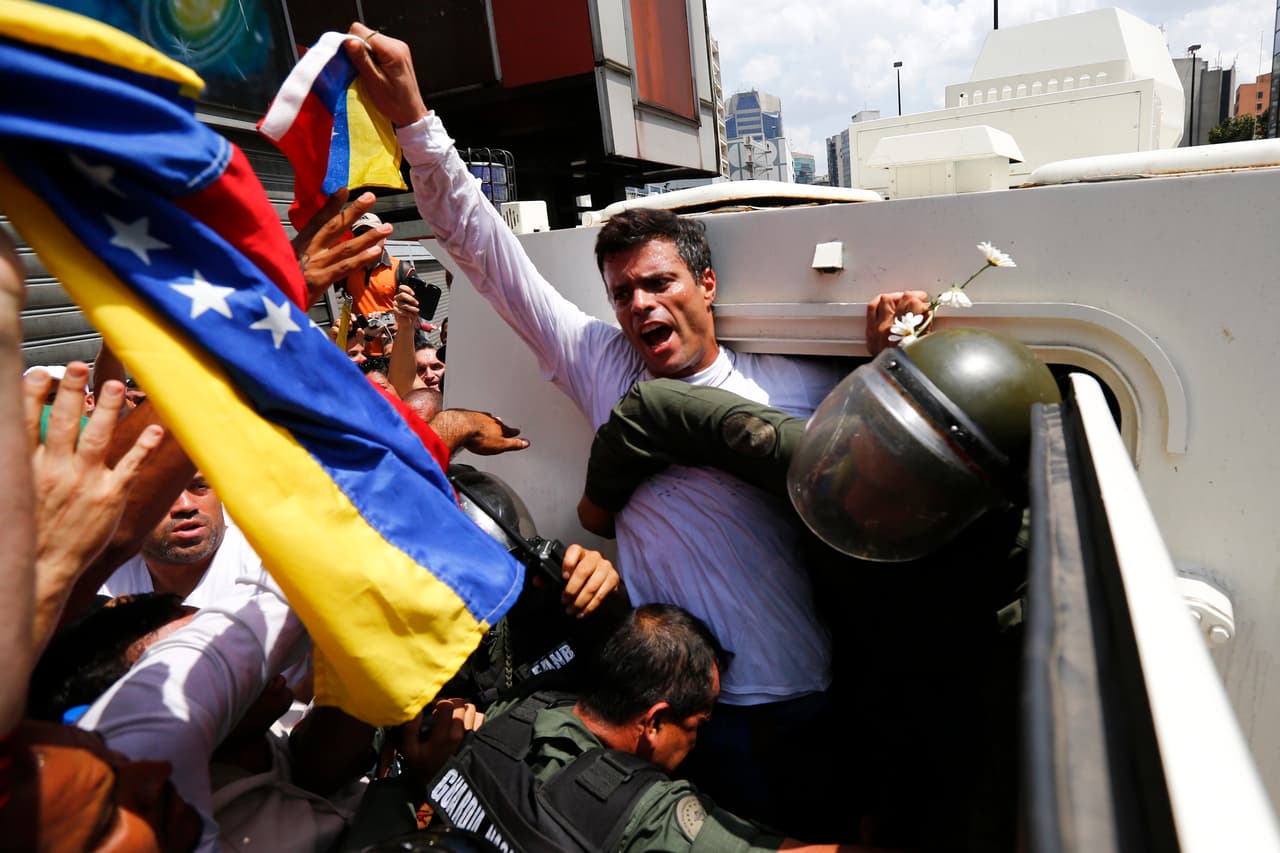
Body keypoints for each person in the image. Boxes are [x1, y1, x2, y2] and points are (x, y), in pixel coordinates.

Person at [342, 22, 932, 819]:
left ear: (707, 284)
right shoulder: (604, 366)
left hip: (796, 696)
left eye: (658, 283)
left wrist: (889, 350)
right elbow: (484, 249)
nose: (640, 304)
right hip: (667, 720)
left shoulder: (793, 380)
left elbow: (883, 475)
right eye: (622, 293)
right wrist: (416, 118)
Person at [424, 604, 882, 852]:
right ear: (655, 721)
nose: (697, 741)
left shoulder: (513, 715)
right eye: (698, 724)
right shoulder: (640, 813)